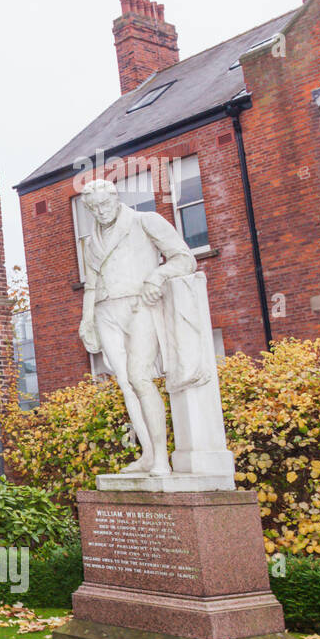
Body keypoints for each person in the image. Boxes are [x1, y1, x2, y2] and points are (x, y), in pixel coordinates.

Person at [77, 178, 197, 476]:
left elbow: (185, 259)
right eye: (94, 208)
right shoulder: (91, 242)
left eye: (105, 204)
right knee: (126, 383)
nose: (101, 212)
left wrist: (157, 276)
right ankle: (148, 454)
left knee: (140, 377)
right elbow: (90, 285)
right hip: (106, 311)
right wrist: (86, 319)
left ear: (116, 198)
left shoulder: (146, 221)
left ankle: (161, 460)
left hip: (138, 305)